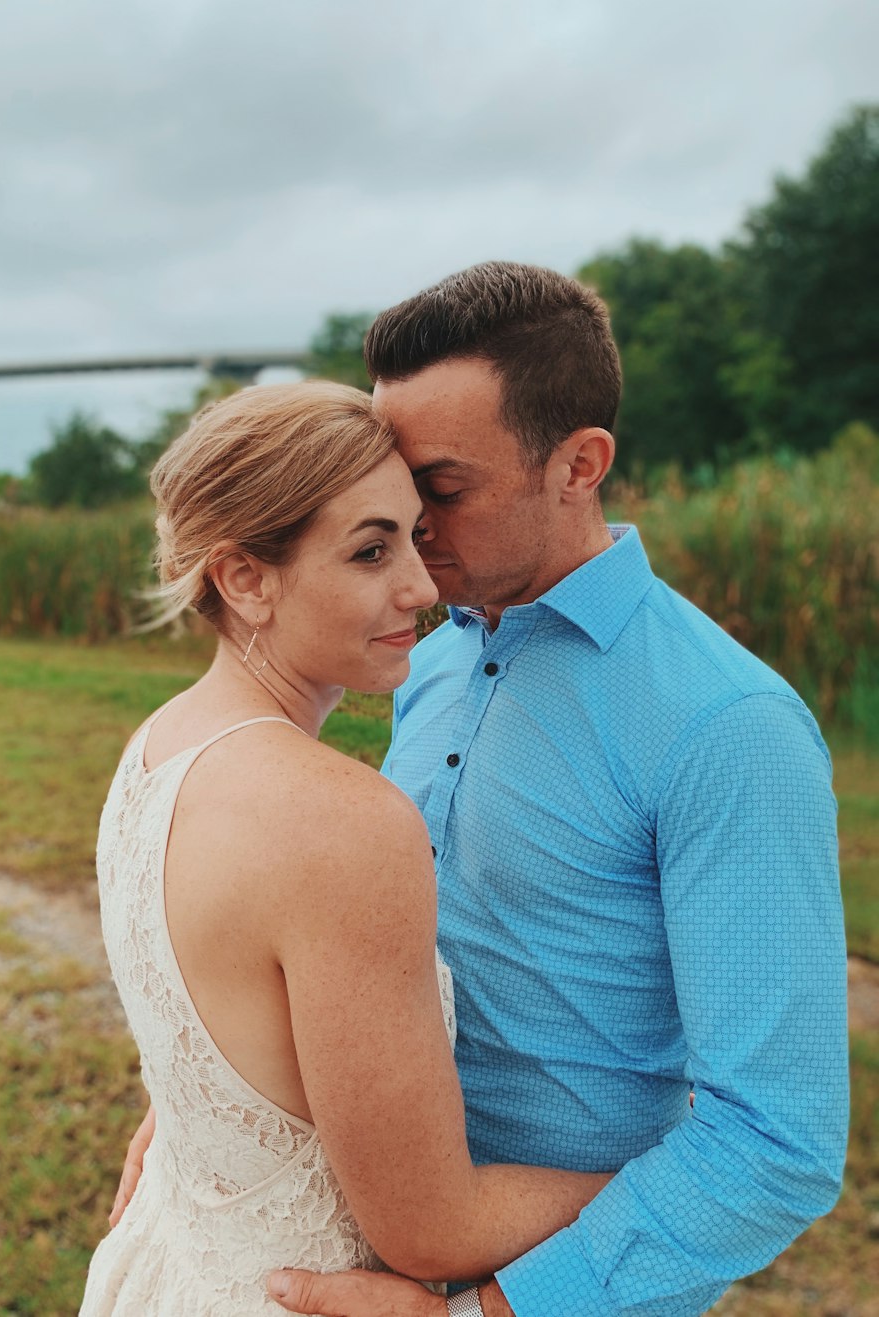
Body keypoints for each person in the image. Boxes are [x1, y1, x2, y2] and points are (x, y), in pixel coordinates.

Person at [113, 267, 849, 1316]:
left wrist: (487, 1312)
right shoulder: (431, 653)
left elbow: (779, 1139)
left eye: (439, 491)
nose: (409, 537)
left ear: (579, 464)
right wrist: (218, 1105)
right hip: (353, 1241)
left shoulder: (725, 729)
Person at [80, 381, 613, 1317]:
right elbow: (434, 1228)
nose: (420, 585)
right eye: (371, 550)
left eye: (414, 534)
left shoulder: (157, 747)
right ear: (244, 577)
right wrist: (668, 1176)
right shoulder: (341, 823)